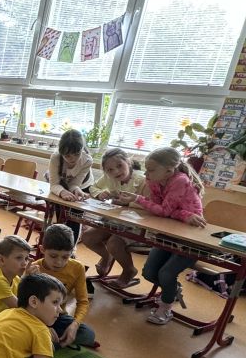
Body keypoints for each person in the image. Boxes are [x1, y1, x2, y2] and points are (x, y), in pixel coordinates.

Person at [118, 147, 206, 325]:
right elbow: (161, 211)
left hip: (191, 238)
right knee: (149, 272)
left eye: (151, 170)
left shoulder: (180, 181)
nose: (146, 174)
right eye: (146, 169)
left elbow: (164, 211)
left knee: (166, 274)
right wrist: (181, 214)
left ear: (169, 171)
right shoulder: (154, 181)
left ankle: (165, 307)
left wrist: (137, 199)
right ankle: (171, 290)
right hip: (169, 232)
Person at [83, 148, 148, 288]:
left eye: (119, 166)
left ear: (128, 162)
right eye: (110, 170)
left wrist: (128, 203)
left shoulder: (142, 180)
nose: (116, 171)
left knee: (114, 243)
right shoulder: (108, 177)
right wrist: (100, 194)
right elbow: (93, 188)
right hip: (115, 220)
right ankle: (107, 257)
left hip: (136, 225)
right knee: (88, 237)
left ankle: (129, 270)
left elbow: (150, 205)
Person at [33, 224, 96, 348]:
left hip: (57, 317)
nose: (59, 262)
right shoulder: (34, 268)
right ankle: (47, 344)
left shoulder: (77, 268)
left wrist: (74, 325)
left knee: (88, 334)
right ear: (42, 250)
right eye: (53, 256)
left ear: (72, 253)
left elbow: (83, 302)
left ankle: (44, 344)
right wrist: (42, 327)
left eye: (65, 257)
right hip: (34, 317)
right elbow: (24, 305)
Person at [48, 129, 95, 243]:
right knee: (60, 214)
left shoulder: (87, 160)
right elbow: (54, 184)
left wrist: (77, 189)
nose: (73, 158)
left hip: (84, 185)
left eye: (77, 154)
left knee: (75, 218)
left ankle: (71, 247)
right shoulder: (56, 157)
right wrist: (62, 192)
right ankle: (59, 244)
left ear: (82, 149)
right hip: (61, 185)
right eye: (68, 155)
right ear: (61, 152)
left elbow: (76, 183)